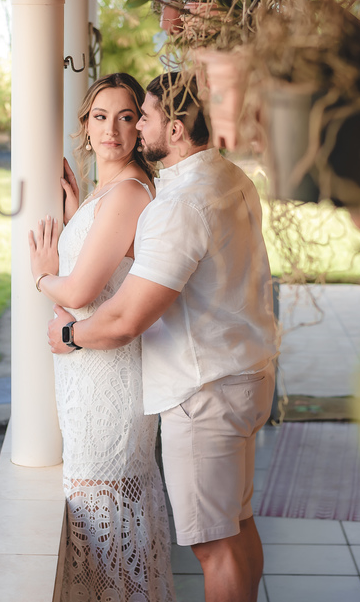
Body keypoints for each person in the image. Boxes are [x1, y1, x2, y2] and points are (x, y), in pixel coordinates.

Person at [47, 72, 278, 602]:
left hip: (204, 393)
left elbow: (127, 318)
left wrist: (72, 334)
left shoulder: (181, 204)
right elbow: (160, 260)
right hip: (247, 376)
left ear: (174, 130)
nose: (135, 129)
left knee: (214, 546)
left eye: (142, 117)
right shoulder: (229, 177)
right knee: (238, 525)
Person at [28, 72, 176, 602]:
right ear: (85, 127)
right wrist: (75, 217)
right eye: (100, 116)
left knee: (105, 510)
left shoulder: (129, 192)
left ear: (141, 127)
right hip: (89, 373)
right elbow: (104, 269)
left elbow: (82, 289)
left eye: (126, 117)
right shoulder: (109, 191)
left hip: (108, 382)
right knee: (102, 512)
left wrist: (43, 275)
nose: (111, 129)